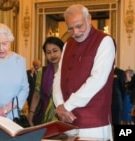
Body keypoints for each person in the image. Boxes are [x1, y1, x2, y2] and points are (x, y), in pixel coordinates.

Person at [53, 4, 115, 140]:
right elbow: (59, 77)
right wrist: (59, 106)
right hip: (68, 120)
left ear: (89, 19)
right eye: (70, 28)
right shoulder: (67, 44)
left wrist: (67, 106)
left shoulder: (105, 41)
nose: (75, 32)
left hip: (93, 123)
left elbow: (97, 80)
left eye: (79, 26)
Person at [28, 37, 64, 126]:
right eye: (48, 52)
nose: (52, 55)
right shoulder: (42, 72)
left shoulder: (69, 71)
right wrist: (31, 113)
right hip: (45, 116)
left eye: (55, 51)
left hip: (65, 115)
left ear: (62, 51)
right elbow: (37, 94)